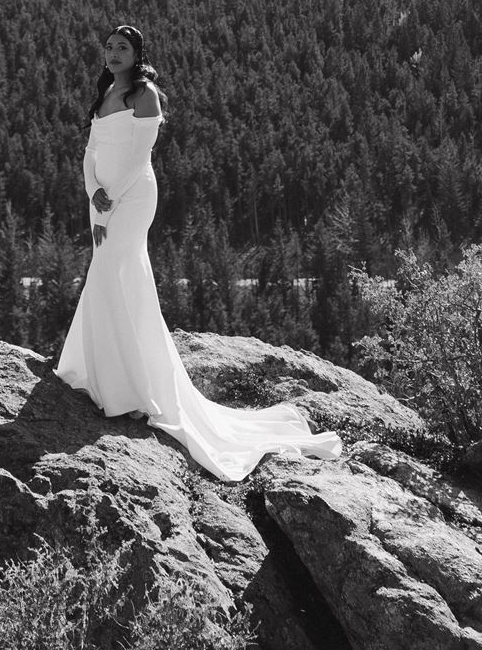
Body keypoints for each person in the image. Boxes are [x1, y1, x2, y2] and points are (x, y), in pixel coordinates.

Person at [55, 24, 342, 482]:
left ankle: (131, 386)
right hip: (102, 200)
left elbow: (140, 157)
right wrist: (93, 195)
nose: (113, 54)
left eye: (122, 48)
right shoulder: (106, 91)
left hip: (130, 198)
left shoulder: (144, 95)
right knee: (105, 276)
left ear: (137, 53)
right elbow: (90, 152)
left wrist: (110, 202)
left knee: (115, 269)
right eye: (109, 47)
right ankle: (103, 374)